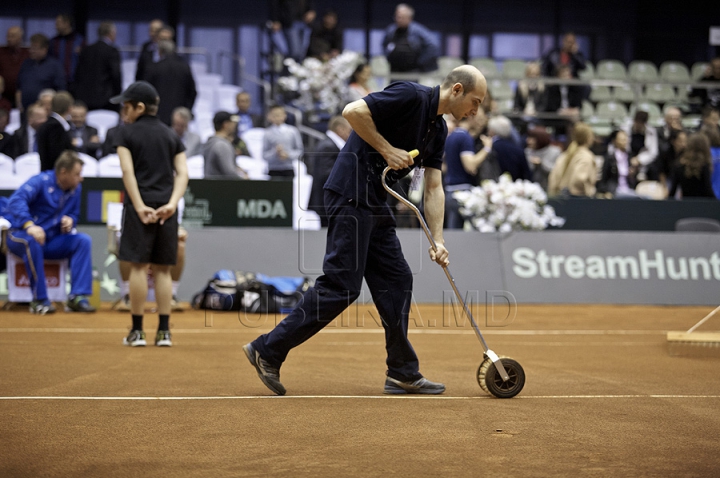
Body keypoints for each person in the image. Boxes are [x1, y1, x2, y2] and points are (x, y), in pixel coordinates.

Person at [242, 65, 487, 396]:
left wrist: (439, 239)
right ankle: (267, 349)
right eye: (476, 100)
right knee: (341, 286)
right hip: (351, 190)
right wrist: (387, 149)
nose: (477, 110)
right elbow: (352, 111)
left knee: (396, 279)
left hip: (376, 200)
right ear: (457, 90)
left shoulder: (438, 130)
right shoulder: (410, 95)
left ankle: (402, 371)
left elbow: (433, 187)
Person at [110, 80, 188, 347]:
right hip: (167, 207)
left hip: (138, 206)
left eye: (126, 106)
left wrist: (140, 205)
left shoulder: (125, 134)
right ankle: (164, 332)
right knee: (164, 270)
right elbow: (184, 174)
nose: (124, 112)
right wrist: (173, 203)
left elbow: (127, 172)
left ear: (139, 107)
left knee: (139, 267)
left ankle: (138, 332)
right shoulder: (171, 135)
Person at [4, 150, 96, 314]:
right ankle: (39, 299)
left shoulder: (76, 188)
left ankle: (78, 297)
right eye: (77, 174)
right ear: (63, 172)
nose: (80, 178)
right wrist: (29, 225)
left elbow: (74, 213)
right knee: (32, 242)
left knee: (83, 241)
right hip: (20, 235)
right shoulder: (41, 181)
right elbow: (15, 201)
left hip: (52, 240)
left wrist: (71, 220)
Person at [443, 111, 492, 228]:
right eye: (477, 118)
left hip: (450, 190)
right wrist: (487, 148)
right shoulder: (465, 137)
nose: (480, 123)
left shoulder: (451, 136)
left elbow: (444, 166)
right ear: (470, 117)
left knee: (454, 232)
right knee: (479, 229)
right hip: (462, 193)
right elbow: (470, 166)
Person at [307, 114, 352, 226]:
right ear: (340, 129)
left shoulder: (329, 144)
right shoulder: (328, 146)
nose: (350, 134)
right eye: (349, 130)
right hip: (328, 201)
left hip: (330, 201)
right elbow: (326, 174)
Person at [72, 21, 121, 111]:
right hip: (105, 99)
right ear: (111, 33)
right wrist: (118, 96)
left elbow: (78, 74)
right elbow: (116, 75)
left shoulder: (86, 50)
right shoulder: (112, 51)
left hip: (85, 98)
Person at [145, 40, 197, 125]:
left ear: (160, 51)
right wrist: (186, 110)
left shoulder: (154, 67)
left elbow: (147, 92)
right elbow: (192, 92)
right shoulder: (184, 67)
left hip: (158, 115)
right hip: (179, 117)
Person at [382, 3, 439, 74]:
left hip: (413, 71)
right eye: (396, 16)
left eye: (401, 17)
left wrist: (420, 61)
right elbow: (384, 45)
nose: (398, 19)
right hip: (394, 70)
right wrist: (389, 58)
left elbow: (433, 46)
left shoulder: (418, 30)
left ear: (409, 18)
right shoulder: (391, 30)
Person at [16, 34, 65, 113]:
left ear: (44, 49)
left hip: (45, 111)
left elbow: (60, 90)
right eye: (31, 47)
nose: (31, 51)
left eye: (35, 48)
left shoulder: (54, 65)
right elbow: (19, 87)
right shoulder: (26, 63)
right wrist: (19, 104)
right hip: (25, 110)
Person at [548, 122, 597, 197]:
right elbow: (579, 179)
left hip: (561, 199)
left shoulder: (565, 154)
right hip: (579, 202)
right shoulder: (586, 156)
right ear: (588, 138)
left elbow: (553, 178)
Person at [668, 132, 716, 198]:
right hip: (702, 205)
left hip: (685, 205)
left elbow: (672, 192)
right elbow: (708, 190)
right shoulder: (704, 166)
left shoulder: (678, 165)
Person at [262, 103, 303, 179]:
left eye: (279, 114)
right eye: (274, 115)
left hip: (288, 169)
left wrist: (288, 155)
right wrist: (275, 152)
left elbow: (300, 151)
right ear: (270, 116)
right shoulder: (267, 133)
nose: (277, 117)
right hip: (273, 169)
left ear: (285, 116)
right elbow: (264, 155)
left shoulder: (292, 131)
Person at [204, 111, 249, 179]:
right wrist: (244, 180)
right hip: (222, 187)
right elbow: (230, 173)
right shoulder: (222, 145)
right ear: (225, 124)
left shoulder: (210, 142)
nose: (234, 126)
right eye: (231, 123)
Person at [36, 91, 74, 171]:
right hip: (55, 174)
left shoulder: (51, 124)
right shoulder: (55, 127)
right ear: (69, 108)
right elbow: (56, 155)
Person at [486, 115, 532, 181]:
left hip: (491, 186)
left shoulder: (488, 148)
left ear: (492, 131)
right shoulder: (518, 150)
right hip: (516, 187)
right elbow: (527, 175)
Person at [596, 130, 639, 198]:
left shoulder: (631, 157)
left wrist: (634, 172)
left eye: (626, 139)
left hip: (628, 189)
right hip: (614, 191)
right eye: (622, 139)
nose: (625, 142)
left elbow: (634, 178)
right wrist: (605, 192)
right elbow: (604, 178)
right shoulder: (610, 158)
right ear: (615, 141)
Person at [622, 110, 659, 182]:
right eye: (637, 122)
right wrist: (630, 162)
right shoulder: (625, 129)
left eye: (641, 123)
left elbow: (653, 152)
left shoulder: (651, 132)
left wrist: (639, 160)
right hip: (627, 158)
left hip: (644, 163)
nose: (638, 125)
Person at [525, 125, 562, 192]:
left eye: (531, 138)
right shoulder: (527, 152)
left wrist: (541, 164)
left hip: (549, 189)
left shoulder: (555, 152)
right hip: (531, 190)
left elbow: (556, 172)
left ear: (540, 139)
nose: (528, 141)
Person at [0, 26, 30, 106]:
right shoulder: (1, 52)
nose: (8, 39)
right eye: (7, 36)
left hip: (22, 95)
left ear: (20, 38)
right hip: (3, 95)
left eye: (12, 36)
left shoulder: (27, 53)